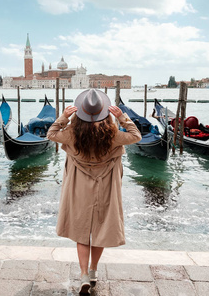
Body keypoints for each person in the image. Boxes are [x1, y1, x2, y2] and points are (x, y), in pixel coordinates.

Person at [47, 89, 142, 294]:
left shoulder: (72, 134)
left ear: (80, 111)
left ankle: (82, 275)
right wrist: (122, 118)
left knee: (82, 232)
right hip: (106, 187)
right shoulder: (113, 134)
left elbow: (51, 134)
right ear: (104, 112)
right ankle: (93, 271)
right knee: (100, 230)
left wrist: (64, 117)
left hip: (79, 188)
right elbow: (136, 136)